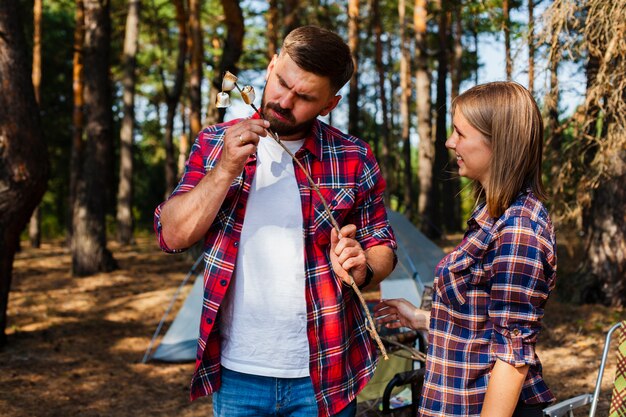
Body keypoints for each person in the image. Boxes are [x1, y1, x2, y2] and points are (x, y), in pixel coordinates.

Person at [154, 25, 397, 417]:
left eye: (304, 97)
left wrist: (363, 266)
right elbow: (171, 235)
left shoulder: (353, 156)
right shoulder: (215, 143)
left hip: (327, 370)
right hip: (237, 374)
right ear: (271, 65)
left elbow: (383, 245)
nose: (284, 101)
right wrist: (224, 170)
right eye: (281, 82)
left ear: (329, 104)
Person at [375, 82, 557, 417]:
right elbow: (482, 326)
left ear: (497, 143)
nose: (450, 142)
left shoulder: (517, 230)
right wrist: (422, 319)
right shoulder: (492, 215)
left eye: (460, 133)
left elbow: (511, 358)